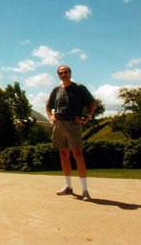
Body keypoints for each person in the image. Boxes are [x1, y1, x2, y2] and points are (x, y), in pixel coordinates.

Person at [46, 65, 97, 201]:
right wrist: (51, 116)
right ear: (58, 75)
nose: (64, 75)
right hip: (59, 124)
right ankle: (68, 186)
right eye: (61, 73)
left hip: (73, 124)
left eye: (66, 72)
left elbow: (93, 103)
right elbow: (48, 105)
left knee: (78, 153)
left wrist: (87, 118)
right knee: (63, 154)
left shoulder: (79, 88)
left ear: (70, 73)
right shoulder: (56, 90)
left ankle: (85, 190)